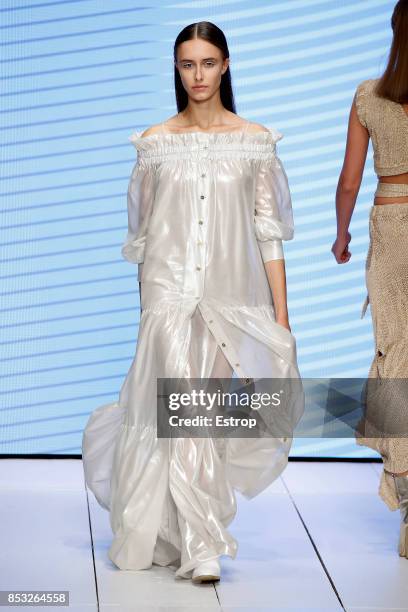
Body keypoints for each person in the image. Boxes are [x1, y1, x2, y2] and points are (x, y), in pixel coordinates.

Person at [82, 21, 304, 583]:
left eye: (208, 63)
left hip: (233, 296)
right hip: (169, 294)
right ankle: (202, 544)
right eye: (187, 64)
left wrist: (280, 317)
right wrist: (147, 313)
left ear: (226, 65)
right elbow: (143, 237)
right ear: (176, 69)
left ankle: (190, 532)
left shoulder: (255, 141)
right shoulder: (154, 145)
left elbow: (268, 233)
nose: (198, 75)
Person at [331, 0, 408, 558]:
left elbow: (350, 181)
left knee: (398, 352)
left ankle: (407, 495)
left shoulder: (368, 96)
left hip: (390, 224)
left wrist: (341, 236)